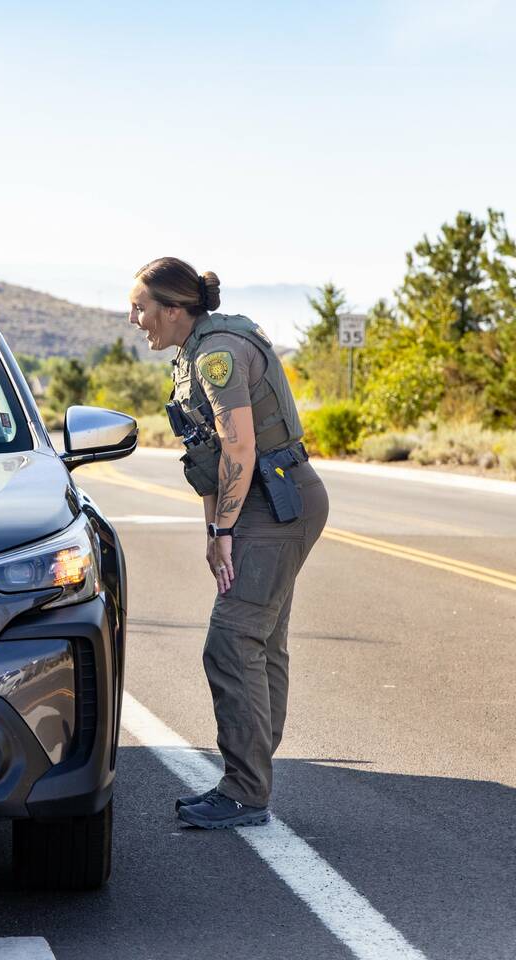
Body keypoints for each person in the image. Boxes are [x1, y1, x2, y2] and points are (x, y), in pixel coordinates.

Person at [129, 256, 329, 829]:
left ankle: (245, 791)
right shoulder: (195, 351)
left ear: (173, 309)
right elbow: (211, 456)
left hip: (278, 501)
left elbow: (239, 449)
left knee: (232, 640)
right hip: (269, 499)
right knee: (260, 640)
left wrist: (224, 530)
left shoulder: (216, 355)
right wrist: (214, 527)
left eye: (141, 307)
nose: (134, 318)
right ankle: (253, 776)